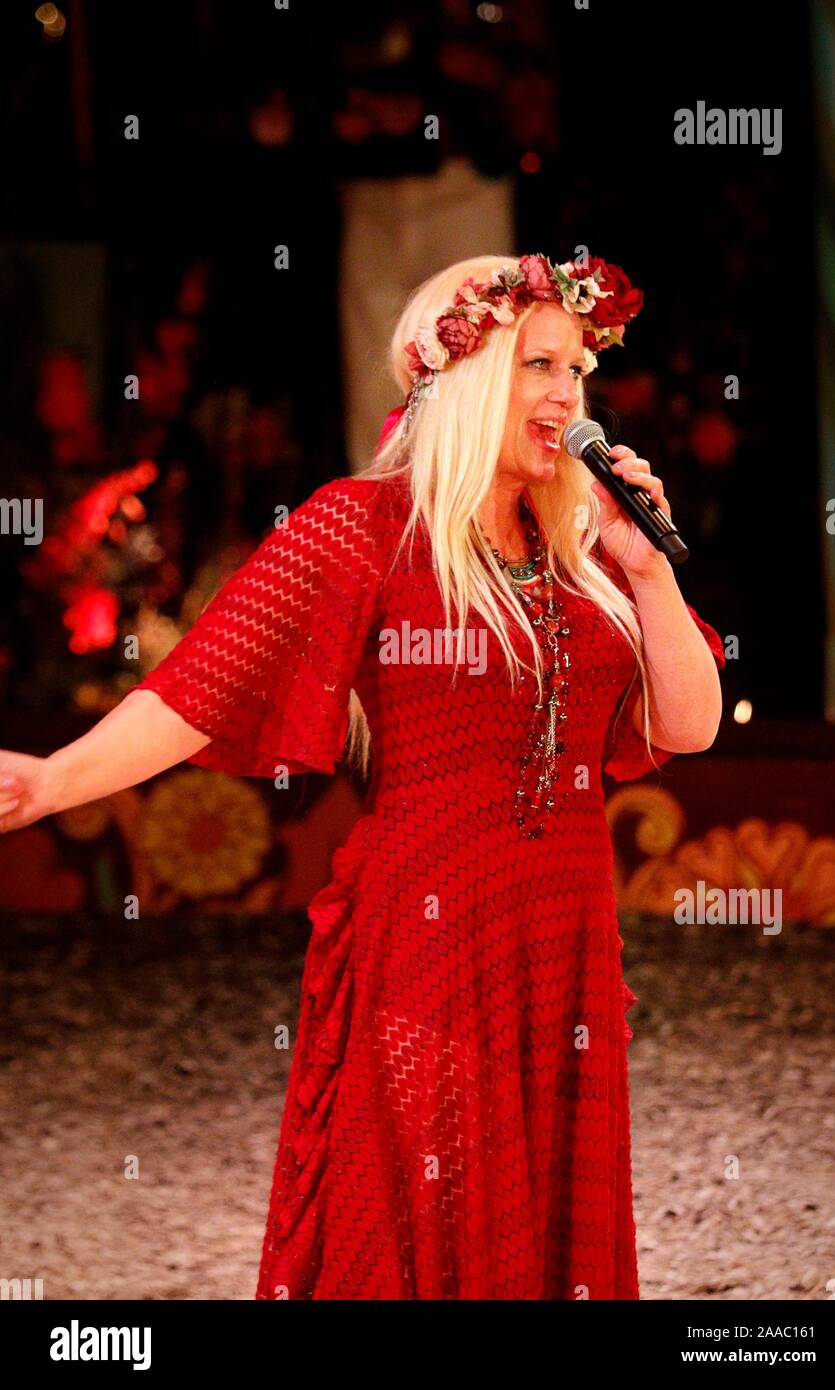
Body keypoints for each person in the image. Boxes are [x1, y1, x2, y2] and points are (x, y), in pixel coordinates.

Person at [0, 253, 725, 1300]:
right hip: (428, 940)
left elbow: (690, 725)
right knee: (418, 1219)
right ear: (463, 375)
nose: (567, 395)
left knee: (547, 1224)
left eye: (576, 370)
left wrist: (646, 571)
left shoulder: (586, 545)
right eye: (537, 365)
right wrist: (51, 782)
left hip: (564, 940)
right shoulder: (363, 526)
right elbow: (199, 687)